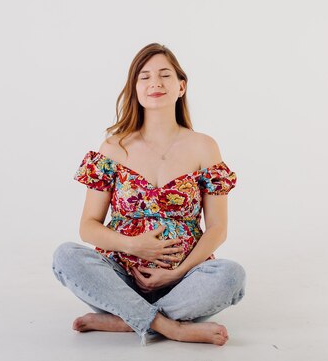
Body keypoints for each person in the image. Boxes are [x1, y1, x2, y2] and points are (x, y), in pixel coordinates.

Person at [52, 43, 246, 346]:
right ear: (135, 89)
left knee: (232, 276)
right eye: (144, 77)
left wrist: (177, 272)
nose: (155, 83)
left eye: (165, 75)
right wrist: (135, 245)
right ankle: (170, 327)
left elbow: (218, 228)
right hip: (120, 279)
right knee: (66, 256)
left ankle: (125, 320)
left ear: (181, 86)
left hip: (183, 281)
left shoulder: (204, 146)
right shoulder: (114, 147)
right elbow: (88, 226)